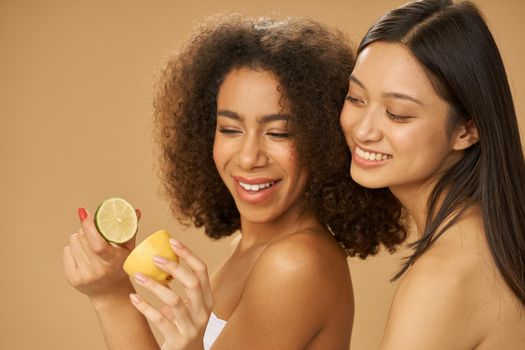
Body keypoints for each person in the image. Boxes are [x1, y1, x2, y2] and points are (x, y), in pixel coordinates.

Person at [63, 15, 405, 349]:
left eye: (278, 132)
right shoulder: (250, 246)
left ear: (323, 142)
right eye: (230, 129)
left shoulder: (295, 265)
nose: (247, 157)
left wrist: (117, 301)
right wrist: (111, 291)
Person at [340, 0, 525, 348]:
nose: (364, 130)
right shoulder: (486, 234)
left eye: (397, 114)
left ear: (467, 130)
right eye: (355, 98)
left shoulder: (444, 276)